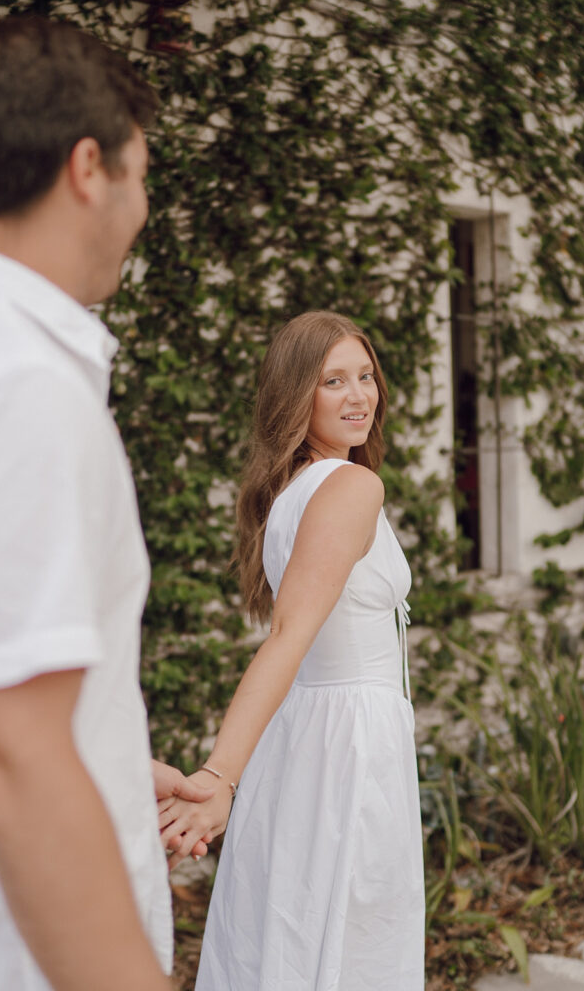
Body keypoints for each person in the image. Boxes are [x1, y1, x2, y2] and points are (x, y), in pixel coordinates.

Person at [0, 15, 210, 991]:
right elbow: (13, 755)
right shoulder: (9, 386)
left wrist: (105, 759)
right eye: (142, 174)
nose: (144, 206)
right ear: (86, 169)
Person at [158, 310, 425, 989]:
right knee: (349, 942)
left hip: (308, 736)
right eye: (333, 381)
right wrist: (220, 775)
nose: (359, 395)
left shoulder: (295, 491)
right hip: (347, 745)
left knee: (293, 930)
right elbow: (289, 636)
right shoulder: (351, 486)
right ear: (294, 396)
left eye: (366, 376)